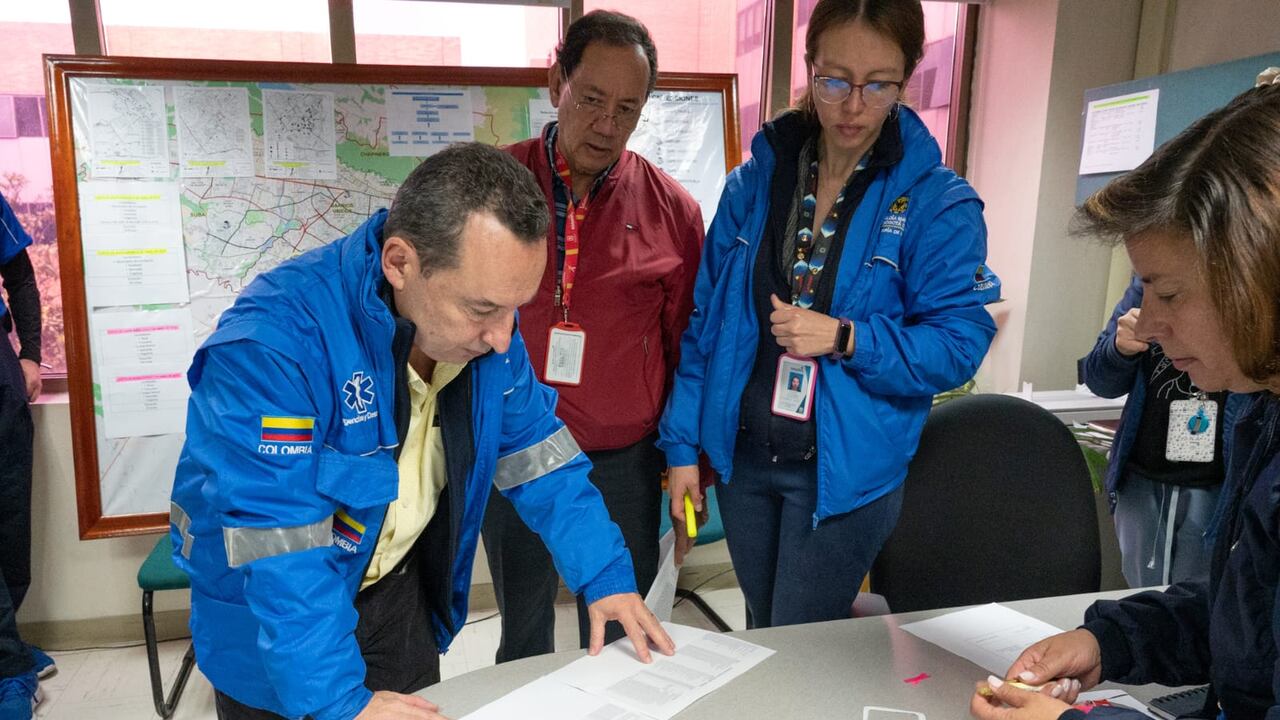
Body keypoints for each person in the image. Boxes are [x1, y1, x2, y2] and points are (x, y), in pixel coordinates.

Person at [170, 144, 673, 720]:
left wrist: (605, 575)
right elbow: (280, 551)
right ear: (400, 263)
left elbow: (543, 461)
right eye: (482, 309)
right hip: (275, 628)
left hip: (397, 601)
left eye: (516, 310)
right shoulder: (274, 347)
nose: (504, 338)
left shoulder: (486, 337)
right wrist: (341, 704)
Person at [660, 0, 999, 629]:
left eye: (878, 85)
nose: (852, 106)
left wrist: (847, 338)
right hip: (745, 465)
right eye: (835, 80)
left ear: (909, 75)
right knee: (766, 630)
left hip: (843, 478)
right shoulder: (754, 183)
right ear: (809, 66)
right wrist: (683, 447)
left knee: (799, 641)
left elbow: (959, 344)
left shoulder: (937, 203)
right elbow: (706, 326)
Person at [970, 82, 1280, 720]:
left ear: (1260, 277)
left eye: (1168, 295)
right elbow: (1244, 625)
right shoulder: (1263, 410)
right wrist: (1106, 642)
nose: (1152, 328)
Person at [487, 10, 703, 662]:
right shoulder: (494, 188)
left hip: (624, 466)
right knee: (522, 634)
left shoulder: (672, 210)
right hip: (514, 456)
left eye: (628, 110)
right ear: (556, 82)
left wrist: (686, 458)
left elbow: (688, 343)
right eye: (592, 101)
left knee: (618, 636)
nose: (607, 125)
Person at [1080, 277, 1246, 588]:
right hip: (1142, 479)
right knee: (1143, 599)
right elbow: (1098, 379)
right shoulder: (1148, 279)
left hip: (1217, 485)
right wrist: (1119, 349)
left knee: (1203, 602)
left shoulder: (1248, 272)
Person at [0, 192, 54, 720]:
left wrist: (31, 353)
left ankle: (7, 644)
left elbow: (19, 278)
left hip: (1, 371)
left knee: (12, 519)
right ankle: (10, 667)